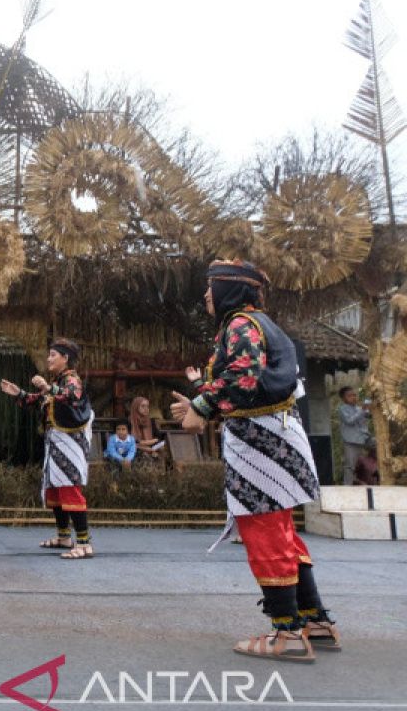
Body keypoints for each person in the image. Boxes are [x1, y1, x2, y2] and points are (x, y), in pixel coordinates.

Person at [172, 259, 338, 662]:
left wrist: (202, 406)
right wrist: (199, 397)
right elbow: (247, 377)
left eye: (212, 287)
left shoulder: (240, 324)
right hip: (273, 435)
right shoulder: (259, 323)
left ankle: (287, 632)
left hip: (261, 440)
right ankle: (313, 620)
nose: (207, 295)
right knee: (278, 527)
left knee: (262, 527)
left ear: (229, 291)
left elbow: (244, 376)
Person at [1, 338, 95, 560]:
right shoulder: (58, 381)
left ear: (65, 358)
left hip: (70, 444)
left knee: (69, 487)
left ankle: (84, 543)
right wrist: (19, 394)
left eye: (53, 355)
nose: (49, 358)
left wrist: (47, 387)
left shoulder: (72, 380)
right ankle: (64, 536)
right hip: (55, 442)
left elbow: (70, 396)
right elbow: (39, 400)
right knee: (55, 489)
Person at [337, 386, 372, 486]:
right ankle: (347, 487)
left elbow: (367, 416)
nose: (353, 397)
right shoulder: (342, 409)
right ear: (344, 399)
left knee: (379, 446)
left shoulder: (358, 408)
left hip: (364, 438)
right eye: (349, 396)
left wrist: (368, 406)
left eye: (354, 395)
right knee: (350, 466)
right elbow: (350, 421)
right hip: (351, 441)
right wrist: (362, 410)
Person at [128, 396, 164, 465]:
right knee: (144, 454)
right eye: (143, 406)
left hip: (151, 447)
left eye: (147, 406)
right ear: (136, 407)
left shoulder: (151, 421)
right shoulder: (129, 422)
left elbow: (158, 437)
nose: (146, 409)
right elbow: (131, 441)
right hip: (136, 448)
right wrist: (148, 444)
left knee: (162, 449)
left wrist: (150, 445)